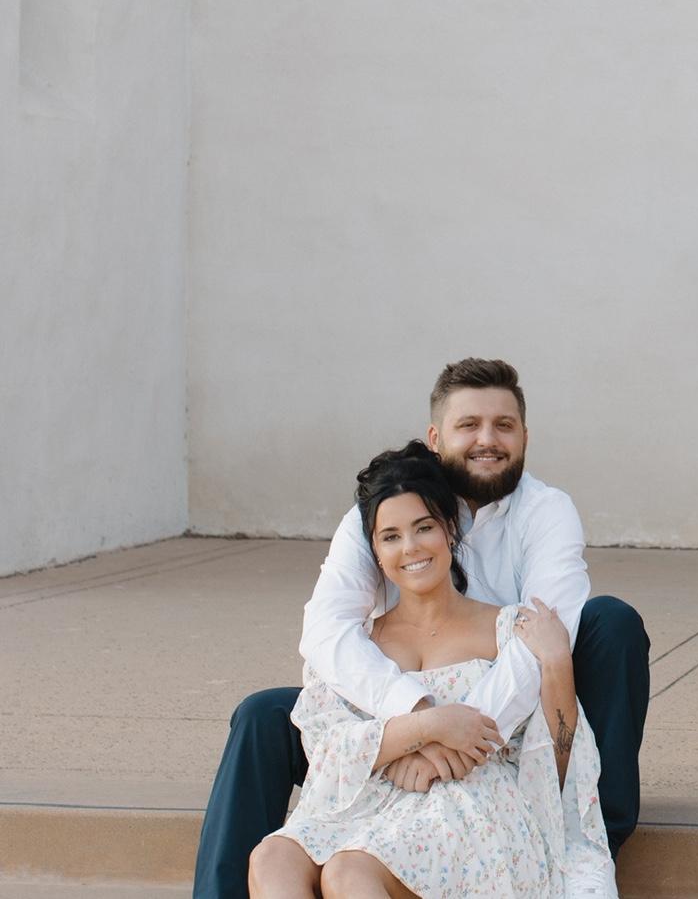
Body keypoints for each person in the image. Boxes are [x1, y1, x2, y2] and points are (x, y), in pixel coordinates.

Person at [194, 358, 650, 899]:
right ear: (436, 438)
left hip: (505, 718)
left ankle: (593, 834)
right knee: (263, 716)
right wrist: (421, 719)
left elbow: (540, 640)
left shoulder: (547, 511)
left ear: (525, 436)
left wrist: (462, 740)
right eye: (468, 425)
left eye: (503, 425)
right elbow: (326, 630)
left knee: (610, 623)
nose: (487, 440)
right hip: (395, 707)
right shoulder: (385, 505)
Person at [249, 443, 614, 898]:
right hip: (367, 800)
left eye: (423, 528)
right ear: (375, 551)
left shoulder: (511, 632)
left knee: (349, 872)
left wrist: (557, 662)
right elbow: (328, 753)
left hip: (469, 806)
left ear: (450, 531)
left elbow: (556, 762)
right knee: (272, 858)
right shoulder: (356, 648)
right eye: (391, 536)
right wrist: (428, 726)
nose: (411, 548)